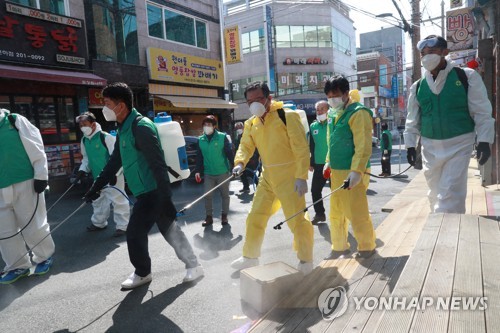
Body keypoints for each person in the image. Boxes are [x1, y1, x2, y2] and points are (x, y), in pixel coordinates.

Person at [84, 82, 203, 289]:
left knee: (135, 232)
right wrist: (96, 186)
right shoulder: (124, 128)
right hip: (144, 190)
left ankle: (143, 272)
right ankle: (193, 264)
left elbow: (157, 164)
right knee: (169, 230)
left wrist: (166, 198)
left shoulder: (142, 127)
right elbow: (114, 161)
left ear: (121, 106)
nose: (104, 108)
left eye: (107, 103)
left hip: (153, 191)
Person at [230, 81, 314, 275]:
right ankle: (250, 257)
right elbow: (245, 145)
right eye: (249, 101)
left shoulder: (287, 116)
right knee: (255, 216)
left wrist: (301, 177)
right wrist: (239, 163)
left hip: (289, 176)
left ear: (268, 98)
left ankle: (305, 260)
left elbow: (301, 149)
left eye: (258, 99)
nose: (254, 104)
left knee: (297, 219)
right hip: (267, 177)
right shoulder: (252, 123)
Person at [404, 35, 495, 214]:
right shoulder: (417, 87)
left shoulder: (466, 76)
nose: (426, 57)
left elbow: (482, 112)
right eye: (422, 53)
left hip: (459, 144)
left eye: (431, 52)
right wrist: (409, 146)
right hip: (429, 147)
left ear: (445, 52)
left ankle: (446, 235)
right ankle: (440, 229)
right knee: (434, 193)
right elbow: (412, 120)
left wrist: (484, 141)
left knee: (450, 194)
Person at [323, 75, 376, 259]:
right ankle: (339, 246)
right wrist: (328, 160)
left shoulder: (358, 113)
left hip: (353, 171)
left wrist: (356, 171)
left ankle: (366, 247)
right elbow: (331, 140)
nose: (332, 99)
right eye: (329, 96)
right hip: (336, 171)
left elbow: (363, 145)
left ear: (346, 93)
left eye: (335, 95)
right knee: (336, 211)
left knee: (356, 211)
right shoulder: (333, 114)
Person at [0, 109, 54, 284]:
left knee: (33, 224)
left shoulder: (13, 121)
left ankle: (44, 256)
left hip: (25, 182)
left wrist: (41, 176)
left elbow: (36, 147)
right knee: (4, 230)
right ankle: (17, 266)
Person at [74, 112, 130, 237]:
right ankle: (99, 223)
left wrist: (115, 174)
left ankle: (123, 226)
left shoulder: (106, 137)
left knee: (118, 200)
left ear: (93, 124)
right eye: (80, 125)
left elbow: (117, 158)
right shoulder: (84, 140)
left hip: (112, 176)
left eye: (85, 124)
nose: (82, 127)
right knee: (98, 201)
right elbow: (86, 158)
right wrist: (82, 170)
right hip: (97, 177)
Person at [194, 115, 234, 227]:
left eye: (209, 125)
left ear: (214, 126)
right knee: (208, 196)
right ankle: (209, 217)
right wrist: (197, 171)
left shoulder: (222, 137)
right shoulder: (200, 140)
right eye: (205, 125)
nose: (206, 127)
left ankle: (224, 216)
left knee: (225, 195)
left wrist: (235, 165)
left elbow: (229, 153)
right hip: (208, 173)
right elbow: (199, 157)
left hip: (222, 171)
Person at [309, 100, 330, 225]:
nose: (320, 111)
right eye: (318, 109)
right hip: (319, 164)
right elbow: (311, 145)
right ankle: (320, 214)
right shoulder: (313, 126)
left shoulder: (333, 123)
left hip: (334, 162)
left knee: (338, 191)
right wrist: (311, 162)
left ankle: (341, 215)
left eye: (322, 109)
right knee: (315, 190)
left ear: (328, 110)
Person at [234, 121, 260, 193]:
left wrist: (254, 157)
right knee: (243, 173)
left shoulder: (248, 134)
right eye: (236, 128)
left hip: (250, 158)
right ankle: (246, 187)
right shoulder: (238, 136)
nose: (238, 129)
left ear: (243, 127)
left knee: (251, 173)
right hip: (241, 158)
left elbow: (252, 147)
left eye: (239, 127)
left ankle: (259, 185)